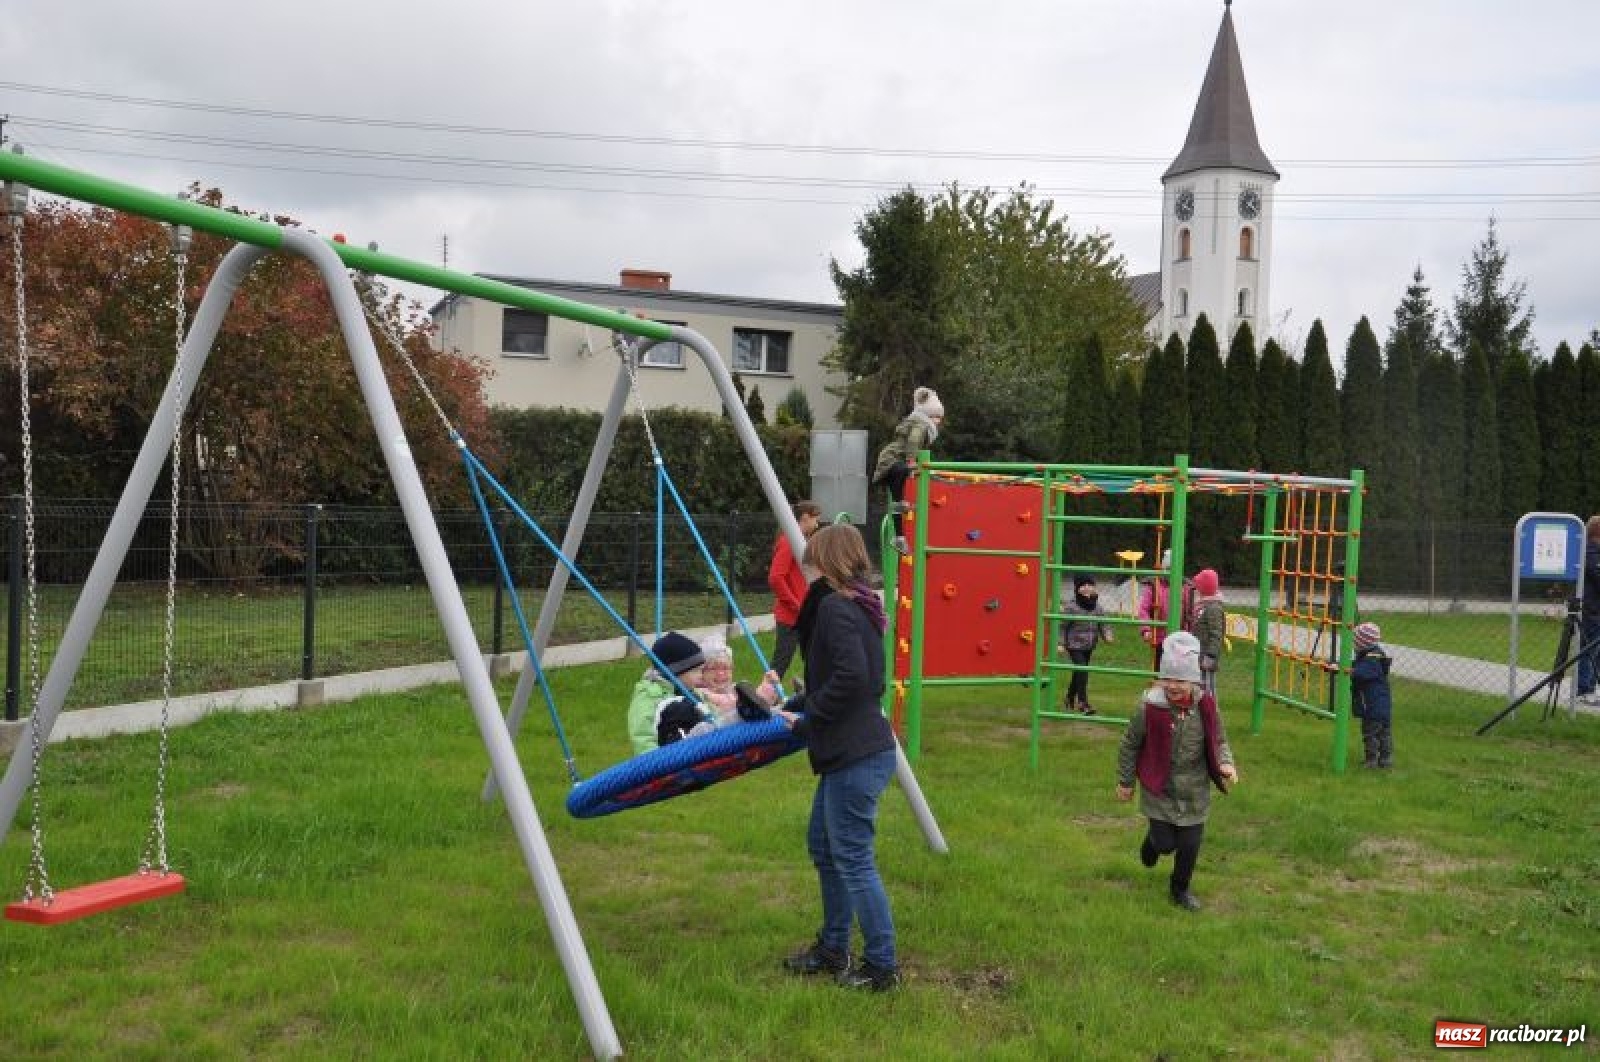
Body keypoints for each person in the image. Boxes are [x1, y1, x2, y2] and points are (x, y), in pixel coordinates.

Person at [776, 523, 900, 991]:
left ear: (826, 560)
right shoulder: (858, 604)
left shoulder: (835, 607)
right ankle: (832, 948)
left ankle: (882, 966)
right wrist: (802, 702)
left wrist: (809, 720)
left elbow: (854, 679)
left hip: (855, 753)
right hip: (853, 751)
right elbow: (859, 678)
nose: (807, 568)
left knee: (851, 858)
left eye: (811, 560)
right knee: (825, 849)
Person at [1116, 630, 1239, 913]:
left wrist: (1226, 763)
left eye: (1180, 680)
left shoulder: (1206, 706)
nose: (1173, 686)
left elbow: (1219, 739)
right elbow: (1130, 744)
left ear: (1194, 681)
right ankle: (1153, 843)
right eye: (1167, 679)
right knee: (1165, 844)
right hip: (1159, 785)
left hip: (1194, 788)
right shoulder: (1149, 708)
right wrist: (1125, 781)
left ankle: (1180, 889)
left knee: (1190, 844)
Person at [871, 386, 944, 555]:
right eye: (936, 417)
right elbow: (913, 442)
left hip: (895, 462)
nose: (938, 421)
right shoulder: (921, 425)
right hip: (892, 461)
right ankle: (902, 517)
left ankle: (899, 537)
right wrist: (911, 462)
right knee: (903, 479)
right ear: (927, 415)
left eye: (940, 418)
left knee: (897, 499)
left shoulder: (920, 424)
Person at [768, 500, 823, 680]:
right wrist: (796, 605)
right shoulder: (788, 542)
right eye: (816, 520)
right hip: (791, 616)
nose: (817, 525)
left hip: (803, 613)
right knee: (781, 663)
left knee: (816, 657)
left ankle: (811, 690)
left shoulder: (800, 541)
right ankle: (766, 694)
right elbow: (776, 578)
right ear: (805, 518)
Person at [626, 630, 706, 754]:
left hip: (697, 753)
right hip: (667, 758)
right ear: (676, 672)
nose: (701, 675)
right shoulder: (650, 696)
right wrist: (656, 760)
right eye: (696, 670)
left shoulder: (692, 693)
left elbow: (710, 717)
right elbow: (642, 736)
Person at [1060, 573, 1115, 715]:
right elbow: (1062, 626)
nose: (1086, 588)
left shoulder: (1097, 607)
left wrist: (1107, 635)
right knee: (1082, 670)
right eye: (1083, 586)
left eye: (1089, 585)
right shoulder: (1071, 607)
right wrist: (1060, 643)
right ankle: (1083, 703)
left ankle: (1069, 698)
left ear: (1094, 587)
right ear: (1077, 589)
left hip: (1089, 645)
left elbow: (1104, 623)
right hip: (1074, 645)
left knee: (1079, 672)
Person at [1135, 549, 1195, 669]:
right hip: (1159, 637)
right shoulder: (1154, 586)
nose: (1169, 573)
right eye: (1167, 569)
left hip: (1179, 637)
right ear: (1162, 568)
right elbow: (1144, 610)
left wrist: (1190, 632)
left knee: (1177, 670)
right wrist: (1146, 629)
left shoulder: (1185, 587)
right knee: (1159, 668)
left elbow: (1190, 612)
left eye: (1173, 569)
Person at [1350, 621, 1394, 768]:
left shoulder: (1371, 659)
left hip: (1372, 705)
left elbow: (1361, 672)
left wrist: (1349, 671)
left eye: (1355, 642)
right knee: (1384, 734)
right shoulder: (1373, 655)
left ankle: (1372, 760)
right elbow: (1358, 667)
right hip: (1382, 704)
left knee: (1371, 734)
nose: (1353, 645)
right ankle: (1386, 759)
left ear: (1362, 643)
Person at [1190, 568, 1226, 694]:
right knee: (1198, 687)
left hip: (1207, 656)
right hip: (1199, 654)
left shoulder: (1213, 608)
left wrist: (1210, 656)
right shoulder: (1203, 605)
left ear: (1203, 588)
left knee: (1207, 689)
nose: (1196, 589)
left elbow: (1217, 634)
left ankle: (1211, 707)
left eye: (1198, 586)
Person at [1578, 515, 1600, 706]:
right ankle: (1583, 690)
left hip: (1596, 610)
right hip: (1591, 611)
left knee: (1596, 651)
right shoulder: (1590, 552)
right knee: (1588, 650)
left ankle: (1591, 687)